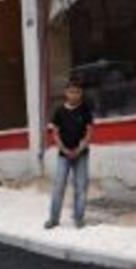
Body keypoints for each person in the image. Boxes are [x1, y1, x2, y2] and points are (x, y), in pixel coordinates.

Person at [44, 77, 94, 230]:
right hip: (63, 155)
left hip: (81, 154)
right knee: (58, 186)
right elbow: (55, 133)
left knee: (81, 187)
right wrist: (64, 149)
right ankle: (53, 219)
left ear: (81, 93)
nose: (74, 95)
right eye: (71, 91)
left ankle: (79, 218)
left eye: (78, 92)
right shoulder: (59, 110)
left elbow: (89, 132)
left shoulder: (85, 109)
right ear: (66, 93)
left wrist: (80, 148)